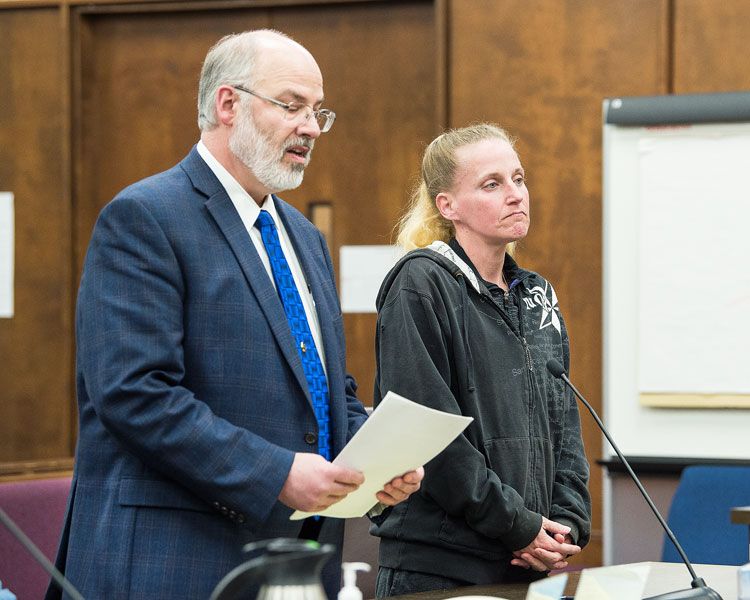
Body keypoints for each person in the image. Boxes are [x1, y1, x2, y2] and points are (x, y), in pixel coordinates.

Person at [46, 30, 422, 600]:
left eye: (319, 112)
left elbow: (323, 389)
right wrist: (278, 475)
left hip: (297, 562)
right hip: (175, 559)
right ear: (228, 104)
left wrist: (375, 460)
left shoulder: (303, 237)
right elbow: (135, 393)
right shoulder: (145, 217)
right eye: (292, 106)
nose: (312, 128)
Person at [370, 123, 591, 597]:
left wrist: (566, 524)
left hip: (523, 561)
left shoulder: (537, 296)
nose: (515, 195)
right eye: (492, 184)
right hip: (440, 567)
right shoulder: (420, 285)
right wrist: (520, 527)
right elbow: (431, 436)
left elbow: (564, 423)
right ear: (447, 206)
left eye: (518, 178)